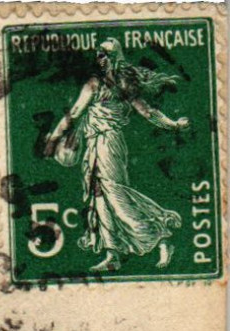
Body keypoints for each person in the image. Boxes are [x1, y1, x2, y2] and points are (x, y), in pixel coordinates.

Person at [43, 39, 191, 272]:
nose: (99, 58)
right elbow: (73, 114)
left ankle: (160, 238)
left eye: (103, 54)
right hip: (93, 144)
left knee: (114, 193)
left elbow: (148, 112)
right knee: (99, 195)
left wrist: (173, 125)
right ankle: (112, 254)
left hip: (110, 143)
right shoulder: (94, 84)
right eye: (98, 54)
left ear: (114, 58)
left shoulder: (123, 86)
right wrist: (53, 139)